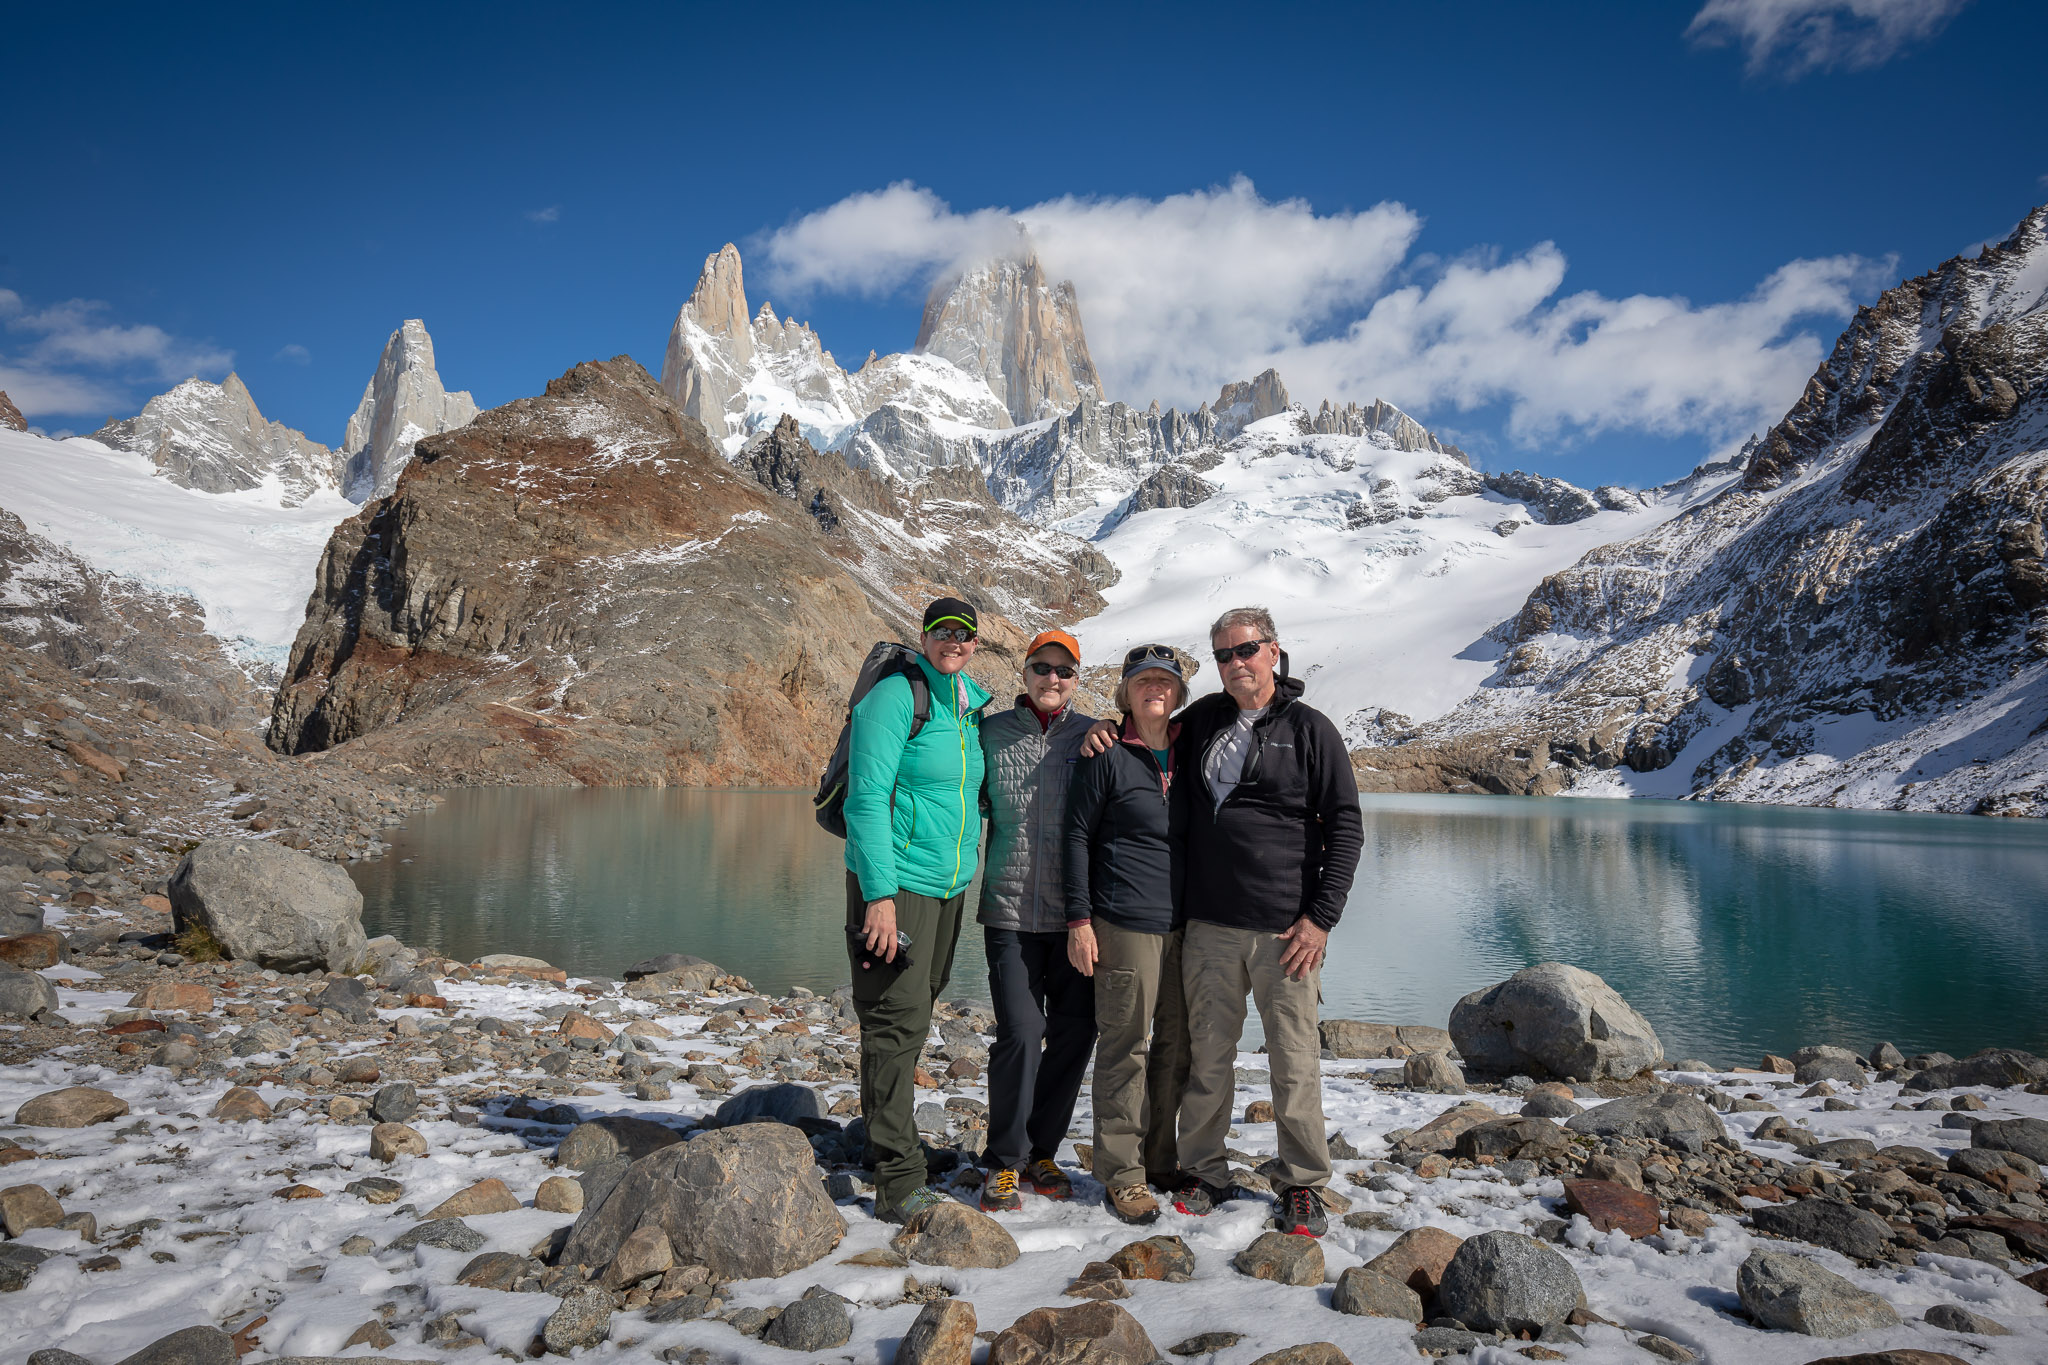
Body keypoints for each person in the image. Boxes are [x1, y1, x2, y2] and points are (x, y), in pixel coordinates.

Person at [1171, 606, 1363, 1237]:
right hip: (1209, 926)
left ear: (1274, 652)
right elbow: (1143, 735)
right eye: (1223, 655)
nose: (1235, 664)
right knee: (1209, 1057)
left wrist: (1320, 920)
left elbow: (1346, 829)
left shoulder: (1311, 730)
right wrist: (1102, 734)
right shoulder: (1200, 721)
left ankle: (1303, 1182)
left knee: (1294, 1059)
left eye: (1245, 651)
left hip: (1287, 932)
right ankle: (1203, 1169)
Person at [843, 596, 994, 1224]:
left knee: (915, 1009)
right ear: (924, 638)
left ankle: (888, 1139)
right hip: (897, 886)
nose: (952, 642)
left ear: (974, 644)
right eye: (941, 633)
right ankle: (898, 1180)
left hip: (948, 887)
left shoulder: (967, 706)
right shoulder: (896, 699)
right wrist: (878, 897)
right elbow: (865, 800)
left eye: (963, 634)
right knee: (894, 1019)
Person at [1064, 644, 1196, 1225]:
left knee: (1175, 1046)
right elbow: (1074, 837)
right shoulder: (1107, 753)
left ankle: (1160, 1159)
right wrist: (1079, 920)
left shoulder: (1194, 749)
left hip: (1186, 926)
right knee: (1126, 1047)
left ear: (1178, 692)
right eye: (1143, 680)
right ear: (1125, 692)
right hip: (1123, 921)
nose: (1154, 689)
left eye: (1165, 681)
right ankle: (1121, 1171)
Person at [973, 629, 1097, 1213]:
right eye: (1042, 668)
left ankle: (1042, 1151)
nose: (1053, 679)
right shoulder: (990, 733)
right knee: (1021, 1034)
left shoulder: (1096, 737)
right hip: (1010, 911)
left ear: (1077, 679)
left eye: (1064, 671)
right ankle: (1004, 1159)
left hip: (1078, 920)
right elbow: (955, 802)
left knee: (1075, 1034)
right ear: (1024, 673)